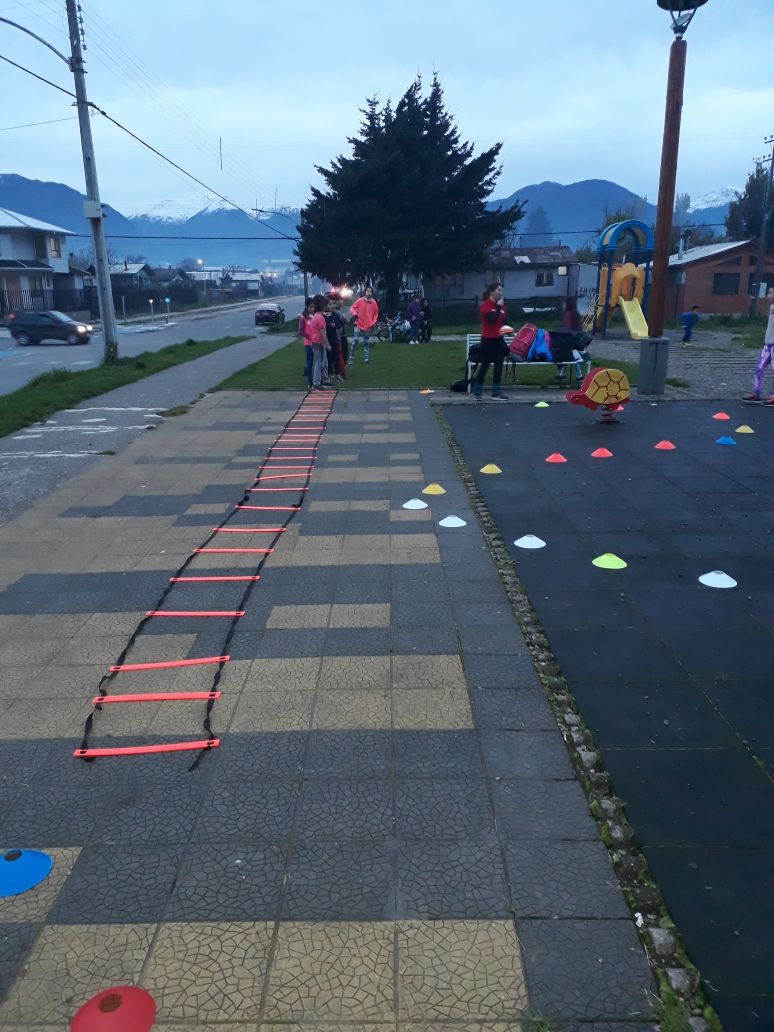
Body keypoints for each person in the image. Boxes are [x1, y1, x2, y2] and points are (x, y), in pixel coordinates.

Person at [473, 282, 509, 401]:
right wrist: (498, 307)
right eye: (499, 290)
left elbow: (503, 321)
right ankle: (478, 392)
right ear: (492, 292)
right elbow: (491, 320)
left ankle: (496, 392)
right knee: (485, 365)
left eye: (501, 290)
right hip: (488, 340)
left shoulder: (502, 306)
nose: (501, 293)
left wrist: (508, 330)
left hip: (499, 340)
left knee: (499, 366)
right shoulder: (486, 305)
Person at [743, 285, 774, 404]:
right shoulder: (772, 307)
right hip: (768, 344)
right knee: (759, 368)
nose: (768, 296)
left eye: (771, 293)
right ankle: (756, 393)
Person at [349, 286, 378, 364]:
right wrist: (354, 314)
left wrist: (373, 322)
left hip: (367, 325)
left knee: (366, 342)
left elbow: (376, 313)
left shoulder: (374, 303)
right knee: (355, 340)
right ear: (365, 292)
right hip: (358, 323)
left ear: (372, 293)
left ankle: (366, 359)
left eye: (370, 291)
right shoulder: (360, 300)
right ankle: (351, 357)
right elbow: (352, 307)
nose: (369, 293)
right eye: (367, 291)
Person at [308, 294, 329, 390]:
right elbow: (323, 333)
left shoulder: (315, 316)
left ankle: (324, 380)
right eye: (325, 305)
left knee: (322, 362)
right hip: (318, 343)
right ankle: (316, 383)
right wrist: (327, 344)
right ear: (322, 306)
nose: (326, 306)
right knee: (319, 363)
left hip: (315, 342)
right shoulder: (320, 317)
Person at [324, 296, 346, 383]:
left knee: (337, 356)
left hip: (334, 339)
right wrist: (330, 325)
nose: (331, 306)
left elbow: (340, 324)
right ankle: (330, 374)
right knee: (328, 358)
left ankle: (337, 373)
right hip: (327, 339)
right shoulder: (322, 316)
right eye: (329, 304)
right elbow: (322, 326)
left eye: (332, 304)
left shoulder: (334, 314)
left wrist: (335, 325)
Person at [298, 297, 314, 388]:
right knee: (309, 362)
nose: (312, 309)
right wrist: (310, 337)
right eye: (310, 307)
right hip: (309, 344)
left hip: (318, 343)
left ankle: (319, 381)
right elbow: (301, 331)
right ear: (307, 307)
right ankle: (309, 382)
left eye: (313, 307)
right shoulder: (303, 317)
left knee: (319, 362)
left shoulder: (316, 315)